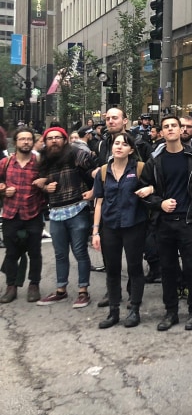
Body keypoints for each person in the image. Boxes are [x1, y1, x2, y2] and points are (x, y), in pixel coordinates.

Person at [140, 115, 192, 331]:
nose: (172, 129)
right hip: (164, 222)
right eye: (167, 126)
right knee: (168, 268)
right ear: (162, 133)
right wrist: (160, 203)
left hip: (189, 220)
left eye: (175, 125)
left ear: (181, 130)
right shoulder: (155, 162)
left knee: (191, 267)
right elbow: (143, 190)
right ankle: (171, 311)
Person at [34, 127, 98, 309]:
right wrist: (45, 187)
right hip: (55, 212)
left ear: (65, 140)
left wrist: (94, 191)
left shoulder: (76, 155)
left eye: (58, 137)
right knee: (60, 254)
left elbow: (96, 171)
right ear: (45, 142)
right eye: (50, 138)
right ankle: (61, 290)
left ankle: (83, 291)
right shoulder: (44, 160)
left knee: (79, 252)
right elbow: (42, 182)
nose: (54, 141)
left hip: (77, 210)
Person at [91, 132, 149, 329]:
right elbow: (99, 202)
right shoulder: (102, 172)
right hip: (110, 227)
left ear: (131, 149)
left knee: (135, 268)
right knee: (112, 269)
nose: (119, 147)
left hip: (134, 225)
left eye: (124, 145)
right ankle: (113, 311)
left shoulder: (140, 169)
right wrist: (95, 231)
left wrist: (149, 190)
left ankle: (134, 309)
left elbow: (153, 189)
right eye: (116, 143)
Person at [0, 128, 46, 304]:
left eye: (28, 139)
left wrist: (44, 182)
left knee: (35, 252)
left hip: (33, 213)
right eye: (22, 139)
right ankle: (11, 286)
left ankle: (34, 285)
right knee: (11, 253)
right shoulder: (5, 163)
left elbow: (48, 181)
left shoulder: (40, 162)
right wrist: (3, 189)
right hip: (11, 214)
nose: (26, 142)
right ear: (15, 142)